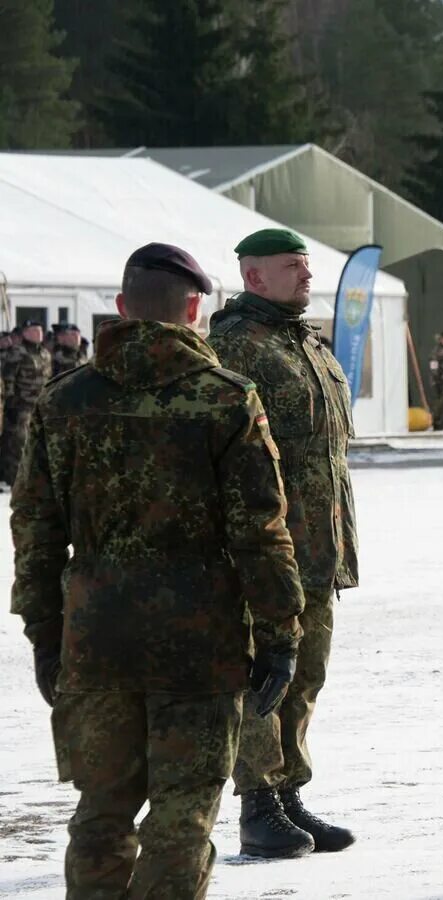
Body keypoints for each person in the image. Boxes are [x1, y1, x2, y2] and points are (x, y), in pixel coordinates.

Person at [9, 242, 305, 899]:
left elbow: (33, 529)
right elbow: (262, 532)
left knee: (102, 812)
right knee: (183, 813)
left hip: (95, 637)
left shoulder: (65, 401)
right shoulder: (226, 400)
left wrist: (44, 633)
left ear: (120, 308)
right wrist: (281, 635)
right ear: (195, 309)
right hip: (199, 643)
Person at [207, 227, 359, 859]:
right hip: (267, 544)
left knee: (306, 674)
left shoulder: (307, 344)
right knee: (264, 674)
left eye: (307, 266)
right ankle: (258, 803)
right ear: (253, 277)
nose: (306, 276)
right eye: (293, 267)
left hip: (320, 545)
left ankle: (290, 789)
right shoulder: (235, 348)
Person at [2, 320, 53, 486]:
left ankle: (35, 479)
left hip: (41, 406)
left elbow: (49, 379)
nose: (38, 334)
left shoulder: (45, 354)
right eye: (33, 331)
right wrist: (11, 406)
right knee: (19, 444)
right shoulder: (17, 352)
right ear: (24, 334)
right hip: (22, 406)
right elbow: (8, 379)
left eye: (39, 330)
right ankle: (16, 480)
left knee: (39, 444)